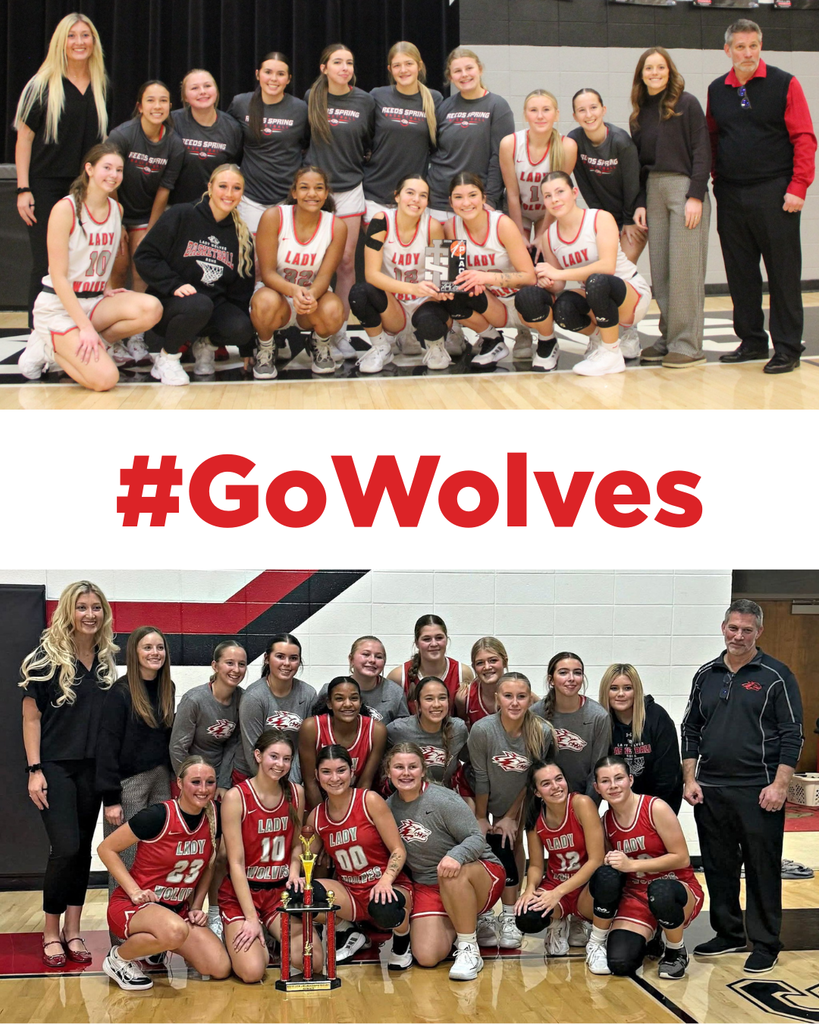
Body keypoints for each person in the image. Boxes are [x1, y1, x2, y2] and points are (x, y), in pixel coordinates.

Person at [681, 599, 804, 973]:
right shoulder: (706, 674)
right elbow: (690, 729)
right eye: (733, 628)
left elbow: (791, 734)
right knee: (719, 866)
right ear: (723, 628)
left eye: (746, 630)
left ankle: (766, 942)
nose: (738, 636)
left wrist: (780, 785)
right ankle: (729, 933)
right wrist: (690, 777)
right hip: (711, 790)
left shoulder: (776, 676)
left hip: (759, 790)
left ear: (758, 633)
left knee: (762, 868)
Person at [708, 19, 816, 374]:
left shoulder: (785, 82)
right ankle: (752, 340)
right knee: (740, 273)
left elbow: (804, 137)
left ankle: (787, 347)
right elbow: (712, 137)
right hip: (731, 193)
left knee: (783, 273)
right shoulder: (716, 89)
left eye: (753, 45)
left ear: (761, 45)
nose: (748, 53)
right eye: (740, 46)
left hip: (776, 193)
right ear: (728, 50)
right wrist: (715, 179)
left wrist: (798, 187)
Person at [19, 580, 118, 967]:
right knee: (66, 848)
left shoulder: (106, 661)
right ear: (68, 612)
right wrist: (34, 770)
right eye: (82, 607)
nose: (90, 614)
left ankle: (73, 931)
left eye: (96, 607)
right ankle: (49, 932)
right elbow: (31, 719)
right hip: (55, 768)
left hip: (92, 770)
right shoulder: (44, 659)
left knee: (80, 853)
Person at [17, 143, 162, 389]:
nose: (113, 175)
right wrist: (84, 328)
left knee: (151, 308)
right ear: (89, 169)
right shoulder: (66, 209)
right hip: (59, 306)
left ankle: (93, 344)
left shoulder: (116, 209)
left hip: (94, 301)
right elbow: (58, 276)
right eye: (106, 167)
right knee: (106, 379)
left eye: (118, 170)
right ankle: (45, 348)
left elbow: (98, 255)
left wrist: (104, 286)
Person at [97, 755, 230, 990]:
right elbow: (105, 848)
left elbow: (209, 865)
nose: (203, 789)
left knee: (218, 967)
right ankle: (119, 958)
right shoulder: (158, 815)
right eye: (195, 782)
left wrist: (197, 906)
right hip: (134, 907)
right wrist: (134, 890)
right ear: (179, 783)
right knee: (175, 930)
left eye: (210, 782)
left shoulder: (215, 816)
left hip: (177, 910)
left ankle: (157, 946)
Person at [14, 13, 108, 327]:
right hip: (44, 186)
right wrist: (23, 189)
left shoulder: (101, 84)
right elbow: (24, 139)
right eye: (72, 36)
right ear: (61, 42)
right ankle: (38, 336)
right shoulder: (41, 85)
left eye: (85, 35)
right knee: (46, 264)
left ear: (93, 41)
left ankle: (73, 331)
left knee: (81, 263)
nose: (79, 42)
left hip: (84, 187)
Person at [385, 742, 505, 981]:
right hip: (429, 886)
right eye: (399, 767)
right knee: (427, 957)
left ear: (423, 770)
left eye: (413, 767)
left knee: (451, 873)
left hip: (477, 874)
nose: (406, 773)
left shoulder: (443, 799)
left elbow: (476, 839)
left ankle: (469, 947)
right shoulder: (388, 808)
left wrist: (455, 856)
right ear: (388, 772)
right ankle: (462, 923)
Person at [133, 163, 255, 384]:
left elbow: (241, 292)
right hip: (172, 304)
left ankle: (206, 344)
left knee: (241, 328)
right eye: (223, 186)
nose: (229, 194)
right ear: (210, 186)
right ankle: (167, 358)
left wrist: (246, 346)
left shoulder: (241, 235)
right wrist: (173, 284)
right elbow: (145, 256)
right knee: (199, 304)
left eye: (236, 188)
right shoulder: (182, 214)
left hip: (210, 307)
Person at [629, 47, 711, 369]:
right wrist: (639, 202)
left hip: (683, 187)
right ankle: (668, 337)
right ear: (641, 74)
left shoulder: (686, 103)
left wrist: (696, 194)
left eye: (660, 67)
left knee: (685, 271)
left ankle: (688, 344)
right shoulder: (639, 113)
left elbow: (702, 149)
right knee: (661, 272)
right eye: (648, 68)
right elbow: (638, 164)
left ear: (669, 71)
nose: (654, 72)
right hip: (654, 190)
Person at [219, 728, 321, 982]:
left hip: (278, 892)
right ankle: (236, 932)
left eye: (286, 759)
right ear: (258, 755)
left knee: (314, 962)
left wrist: (295, 873)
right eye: (273, 757)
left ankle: (274, 936)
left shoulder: (295, 793)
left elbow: (298, 843)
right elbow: (235, 862)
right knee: (253, 971)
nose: (280, 764)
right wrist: (251, 918)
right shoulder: (236, 797)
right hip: (243, 893)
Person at [591, 755, 704, 980]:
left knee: (660, 892)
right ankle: (653, 933)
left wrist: (631, 864)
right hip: (637, 894)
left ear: (631, 780)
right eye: (605, 781)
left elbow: (681, 858)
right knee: (620, 962)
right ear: (597, 788)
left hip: (676, 887)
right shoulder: (606, 822)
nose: (613, 785)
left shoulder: (655, 808)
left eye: (619, 778)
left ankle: (676, 950)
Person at [468, 672, 556, 948]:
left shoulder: (540, 731)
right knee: (482, 844)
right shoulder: (483, 730)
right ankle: (483, 911)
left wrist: (510, 817)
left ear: (530, 699)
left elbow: (532, 779)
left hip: (520, 797)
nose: (515, 702)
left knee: (512, 840)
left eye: (521, 696)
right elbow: (480, 776)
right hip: (484, 794)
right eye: (508, 696)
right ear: (497, 699)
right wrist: (482, 817)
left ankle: (511, 911)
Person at [536, 170, 652, 377]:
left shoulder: (599, 218)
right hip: (596, 297)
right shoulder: (549, 236)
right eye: (548, 196)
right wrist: (547, 280)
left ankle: (611, 353)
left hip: (631, 294)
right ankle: (603, 340)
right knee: (563, 308)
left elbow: (607, 267)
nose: (554, 199)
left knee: (597, 281)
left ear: (574, 192)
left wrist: (558, 273)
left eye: (560, 192)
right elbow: (558, 285)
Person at [309, 744, 413, 967]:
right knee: (302, 896)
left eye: (341, 770)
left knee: (383, 906)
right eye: (326, 772)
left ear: (352, 771)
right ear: (317, 775)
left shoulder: (369, 801)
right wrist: (295, 875)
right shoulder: (317, 817)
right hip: (350, 893)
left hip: (388, 886)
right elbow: (304, 856)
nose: (334, 778)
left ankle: (403, 941)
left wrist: (385, 881)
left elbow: (398, 850)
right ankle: (348, 930)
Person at [169, 639, 247, 935]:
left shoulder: (242, 699)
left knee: (219, 853)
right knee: (190, 852)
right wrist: (191, 787)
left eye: (241, 664)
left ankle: (213, 912)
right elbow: (178, 747)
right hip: (190, 783)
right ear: (214, 666)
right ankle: (180, 912)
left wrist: (221, 783)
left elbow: (234, 745)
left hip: (217, 784)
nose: (236, 669)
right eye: (229, 663)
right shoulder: (195, 699)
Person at [305, 44, 376, 358]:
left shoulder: (365, 100)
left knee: (347, 263)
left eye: (349, 62)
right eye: (337, 62)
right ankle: (305, 328)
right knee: (312, 262)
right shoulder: (310, 99)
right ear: (324, 68)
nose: (344, 67)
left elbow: (372, 142)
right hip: (313, 192)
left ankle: (340, 332)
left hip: (349, 189)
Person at [446, 173, 556, 370]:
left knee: (531, 296)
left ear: (483, 198)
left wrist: (486, 277)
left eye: (472, 195)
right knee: (451, 293)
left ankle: (548, 342)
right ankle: (492, 339)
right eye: (458, 197)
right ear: (450, 202)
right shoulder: (451, 227)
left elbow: (529, 277)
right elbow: (454, 275)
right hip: (494, 306)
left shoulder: (501, 224)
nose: (466, 203)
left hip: (520, 300)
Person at [96, 626, 175, 897]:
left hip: (161, 778)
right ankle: (120, 936)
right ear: (135, 652)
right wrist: (111, 799)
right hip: (128, 784)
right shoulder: (120, 693)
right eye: (148, 647)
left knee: (158, 855)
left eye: (160, 647)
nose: (155, 653)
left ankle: (158, 926)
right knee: (125, 859)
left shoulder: (167, 688)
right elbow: (106, 747)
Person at [568, 88, 645, 359]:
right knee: (599, 279)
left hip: (628, 217)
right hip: (604, 219)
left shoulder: (621, 142)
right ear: (574, 115)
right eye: (582, 110)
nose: (588, 114)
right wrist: (599, 219)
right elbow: (584, 185)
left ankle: (630, 333)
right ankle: (603, 335)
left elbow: (633, 184)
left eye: (593, 108)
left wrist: (625, 221)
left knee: (617, 276)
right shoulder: (574, 140)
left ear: (603, 110)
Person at [251, 166, 346, 378]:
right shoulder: (273, 216)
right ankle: (266, 347)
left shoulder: (336, 226)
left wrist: (311, 294)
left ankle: (319, 343)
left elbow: (324, 276)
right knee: (264, 303)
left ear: (326, 192)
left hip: (311, 298)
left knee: (333, 310)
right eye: (304, 188)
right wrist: (294, 291)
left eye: (318, 188)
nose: (312, 194)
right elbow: (267, 273)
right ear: (294, 192)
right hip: (277, 296)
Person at [350, 175, 450, 373]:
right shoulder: (381, 221)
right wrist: (413, 288)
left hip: (424, 301)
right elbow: (371, 275)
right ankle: (381, 347)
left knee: (433, 319)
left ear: (427, 202)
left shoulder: (432, 227)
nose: (416, 200)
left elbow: (440, 277)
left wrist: (439, 291)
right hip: (393, 304)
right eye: (410, 193)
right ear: (397, 196)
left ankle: (436, 346)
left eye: (423, 196)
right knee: (360, 293)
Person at [513, 760, 607, 970]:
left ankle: (581, 923)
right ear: (537, 792)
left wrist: (557, 892)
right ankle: (558, 921)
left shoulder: (581, 804)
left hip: (585, 886)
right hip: (556, 883)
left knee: (608, 880)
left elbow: (596, 860)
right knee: (526, 916)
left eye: (559, 779)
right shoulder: (535, 817)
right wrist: (529, 889)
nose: (555, 787)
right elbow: (536, 865)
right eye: (546, 784)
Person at [107, 80, 186, 298]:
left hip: (145, 215)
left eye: (163, 101)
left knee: (141, 265)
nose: (157, 106)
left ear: (170, 106)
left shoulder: (174, 144)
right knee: (119, 266)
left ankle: (137, 331)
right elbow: (109, 182)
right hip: (116, 209)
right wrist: (118, 221)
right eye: (150, 100)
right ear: (140, 106)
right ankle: (112, 322)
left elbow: (164, 189)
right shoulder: (121, 136)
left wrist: (151, 231)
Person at [427, 48, 514, 220]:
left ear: (480, 69)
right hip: (440, 201)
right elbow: (431, 150)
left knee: (470, 248)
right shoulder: (444, 106)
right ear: (450, 77)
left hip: (476, 202)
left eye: (469, 68)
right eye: (457, 71)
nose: (464, 75)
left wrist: (490, 198)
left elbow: (500, 157)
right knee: (441, 247)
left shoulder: (498, 106)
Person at [364, 42, 442, 224]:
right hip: (376, 194)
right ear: (390, 69)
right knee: (379, 249)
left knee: (432, 248)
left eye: (409, 64)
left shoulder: (435, 98)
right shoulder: (377, 95)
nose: (403, 70)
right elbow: (363, 135)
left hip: (415, 197)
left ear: (419, 66)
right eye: (397, 65)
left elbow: (440, 145)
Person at [499, 89, 577, 251]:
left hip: (550, 211)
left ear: (556, 114)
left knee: (547, 255)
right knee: (519, 255)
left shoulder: (567, 146)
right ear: (525, 115)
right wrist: (519, 234)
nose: (540, 116)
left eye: (546, 110)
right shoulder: (510, 144)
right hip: (519, 211)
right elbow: (512, 194)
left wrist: (542, 234)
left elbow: (558, 195)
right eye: (533, 110)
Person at [598, 663, 682, 813]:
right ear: (606, 692)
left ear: (636, 690)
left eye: (628, 688)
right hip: (621, 804)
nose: (621, 694)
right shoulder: (603, 723)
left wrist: (650, 811)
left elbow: (668, 771)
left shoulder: (656, 716)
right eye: (614, 688)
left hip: (661, 801)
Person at [234, 633, 316, 784]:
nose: (287, 663)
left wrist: (292, 784)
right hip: (251, 774)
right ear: (267, 659)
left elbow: (303, 746)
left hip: (289, 774)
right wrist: (270, 786)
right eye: (280, 656)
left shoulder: (308, 694)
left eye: (293, 658)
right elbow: (252, 748)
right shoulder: (254, 697)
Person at [531, 651, 612, 800]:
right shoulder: (535, 713)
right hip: (544, 800)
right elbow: (532, 765)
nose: (571, 679)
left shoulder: (598, 716)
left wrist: (587, 808)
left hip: (582, 799)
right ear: (551, 680)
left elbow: (597, 770)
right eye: (563, 673)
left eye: (577, 673)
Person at [299, 677, 388, 810]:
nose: (347, 704)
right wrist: (323, 818)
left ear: (360, 702)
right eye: (339, 699)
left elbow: (365, 782)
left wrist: (349, 818)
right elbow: (310, 782)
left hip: (355, 803)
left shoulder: (376, 731)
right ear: (329, 703)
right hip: (318, 804)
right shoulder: (311, 727)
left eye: (353, 698)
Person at [171, 69, 243, 205]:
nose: (202, 91)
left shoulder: (233, 127)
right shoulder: (172, 122)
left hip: (216, 208)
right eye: (194, 88)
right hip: (175, 207)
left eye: (207, 86)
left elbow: (235, 167)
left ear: (216, 91)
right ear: (185, 96)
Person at [386, 676, 468, 787]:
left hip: (445, 796)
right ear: (417, 705)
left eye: (442, 698)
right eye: (429, 699)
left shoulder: (458, 729)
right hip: (407, 795)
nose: (437, 704)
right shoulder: (398, 729)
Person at [387, 613, 474, 713]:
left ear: (447, 639)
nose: (434, 644)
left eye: (439, 638)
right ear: (416, 643)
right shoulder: (398, 677)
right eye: (426, 639)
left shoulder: (463, 673)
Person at [314, 636, 410, 724]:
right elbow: (316, 726)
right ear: (351, 659)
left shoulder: (395, 693)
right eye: (366, 654)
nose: (372, 660)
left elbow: (402, 731)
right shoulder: (330, 689)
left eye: (379, 657)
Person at [455, 637, 508, 728]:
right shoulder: (465, 697)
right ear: (474, 667)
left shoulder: (518, 690)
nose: (487, 667)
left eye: (493, 660)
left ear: (505, 662)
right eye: (480, 663)